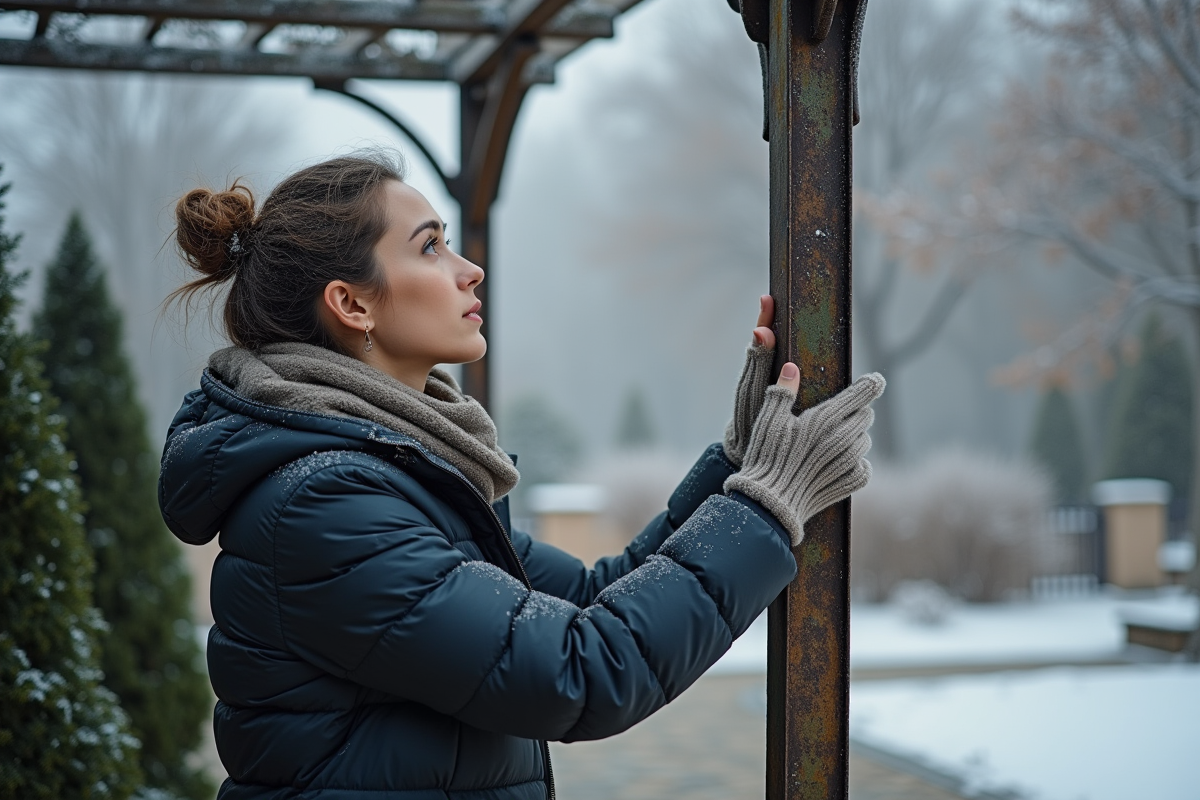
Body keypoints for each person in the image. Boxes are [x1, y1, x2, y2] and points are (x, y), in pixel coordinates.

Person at [159, 150, 884, 800]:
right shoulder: (326, 504)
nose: (468, 268)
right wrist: (762, 510)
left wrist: (738, 460)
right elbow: (580, 671)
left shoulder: (410, 474)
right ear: (353, 304)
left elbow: (596, 596)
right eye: (430, 247)